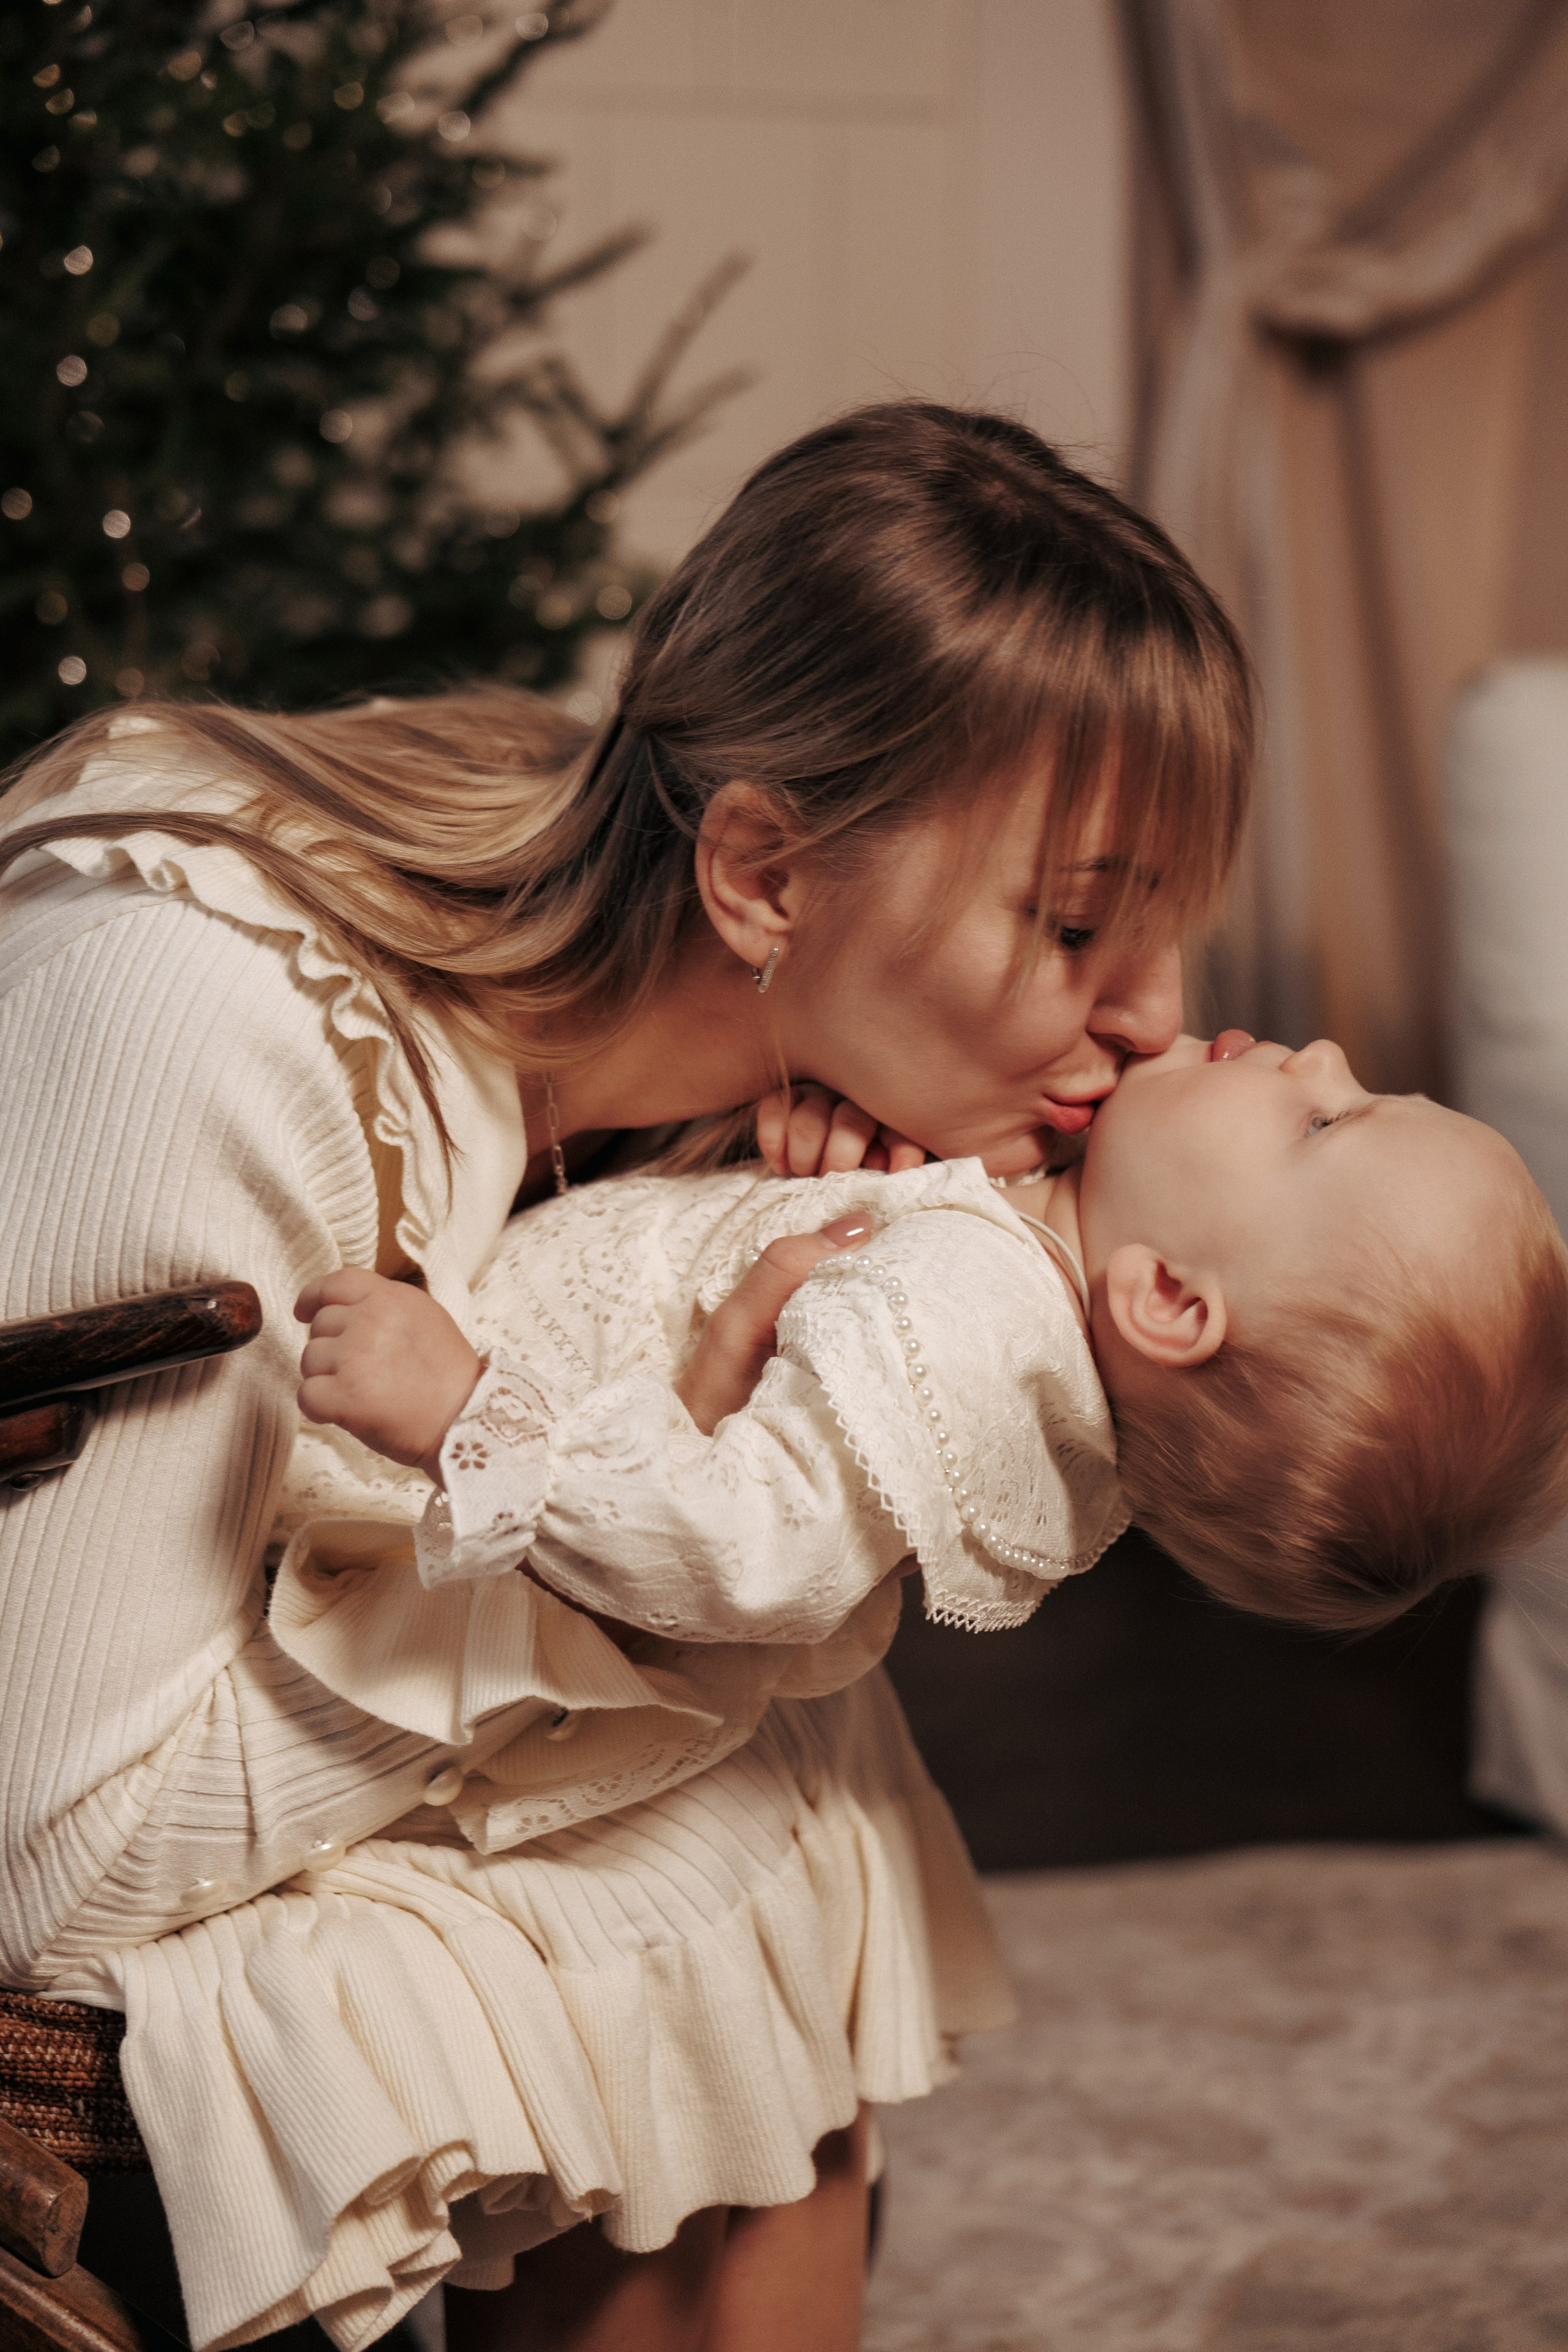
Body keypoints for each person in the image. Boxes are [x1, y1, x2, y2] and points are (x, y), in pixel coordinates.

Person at [0, 402, 1251, 2352]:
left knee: (777, 1790)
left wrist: (740, 1187)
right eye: (1077, 921)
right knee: (725, 1805)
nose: (1158, 1017)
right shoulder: (214, 1033)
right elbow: (48, 1880)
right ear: (760, 878)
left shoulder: (681, 994)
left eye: (1170, 922)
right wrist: (643, 1612)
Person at [296, 1034, 1568, 1668]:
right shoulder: (1012, 1262)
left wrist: (468, 1411)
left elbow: (750, 1557)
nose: (1327, 1053)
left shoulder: (973, 1326)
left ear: (1170, 1302)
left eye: (1325, 1121)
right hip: (440, 1324)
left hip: (388, 1459)